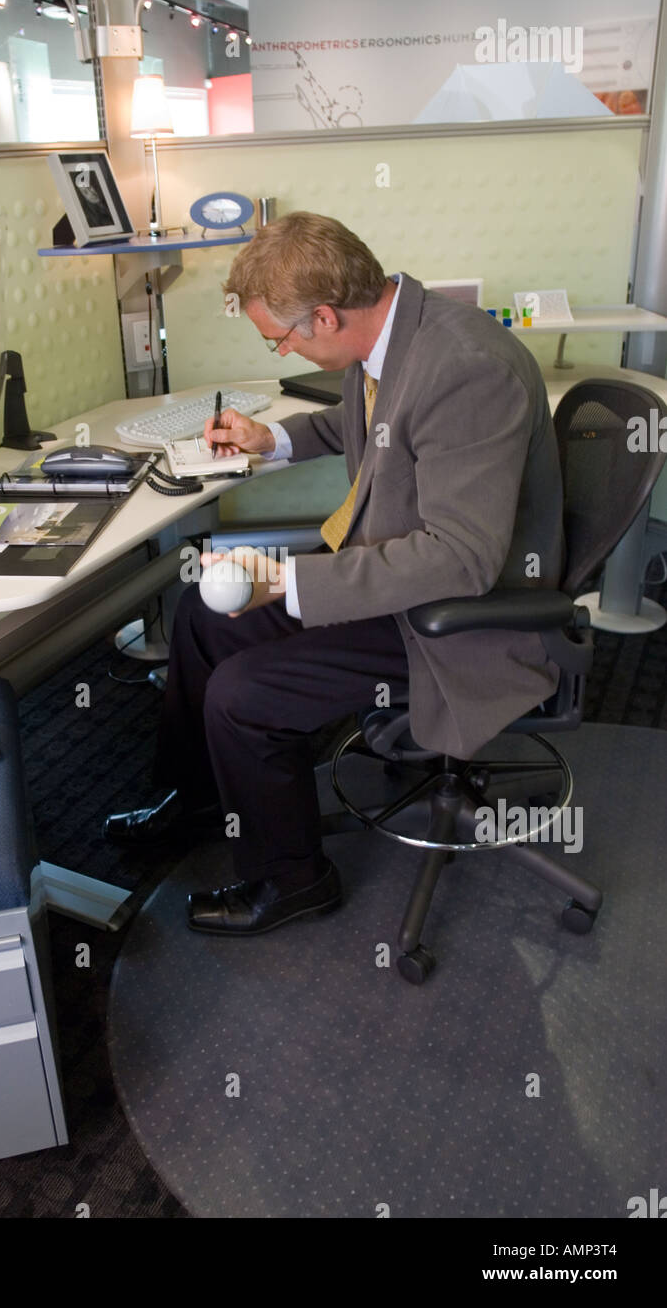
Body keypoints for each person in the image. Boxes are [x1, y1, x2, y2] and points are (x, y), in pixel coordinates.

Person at [104, 212, 564, 936]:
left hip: (455, 613)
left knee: (242, 692)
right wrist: (272, 438)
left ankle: (293, 882)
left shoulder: (466, 367)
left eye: (280, 338)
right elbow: (373, 433)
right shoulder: (392, 333)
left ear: (324, 316)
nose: (281, 348)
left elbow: (461, 557)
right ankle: (199, 801)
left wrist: (285, 582)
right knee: (200, 615)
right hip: (398, 573)